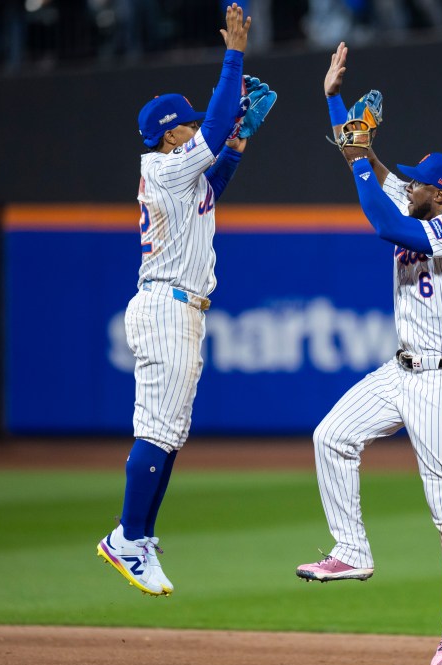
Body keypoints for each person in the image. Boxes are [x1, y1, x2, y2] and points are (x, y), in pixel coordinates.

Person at [295, 41, 442, 665]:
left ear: (440, 192)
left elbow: (385, 220)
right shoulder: (419, 195)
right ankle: (352, 549)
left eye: (418, 184)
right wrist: (335, 100)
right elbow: (374, 165)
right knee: (331, 436)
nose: (408, 186)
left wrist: (356, 161)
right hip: (399, 368)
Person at [97, 3, 276, 597]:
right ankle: (127, 537)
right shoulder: (163, 164)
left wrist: (241, 140)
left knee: (168, 431)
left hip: (180, 307)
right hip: (166, 306)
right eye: (191, 126)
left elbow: (215, 181)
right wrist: (234, 56)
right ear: (173, 132)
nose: (201, 129)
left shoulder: (182, 174)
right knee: (158, 428)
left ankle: (137, 537)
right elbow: (219, 120)